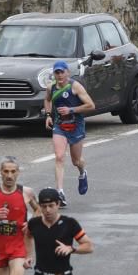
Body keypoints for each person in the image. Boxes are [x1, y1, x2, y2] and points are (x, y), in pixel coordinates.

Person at [44, 60, 95, 207]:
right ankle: (60, 192)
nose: (59, 75)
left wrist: (71, 110)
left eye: (62, 72)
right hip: (60, 126)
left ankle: (82, 172)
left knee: (76, 161)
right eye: (57, 72)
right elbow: (47, 100)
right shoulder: (51, 88)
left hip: (76, 126)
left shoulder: (75, 87)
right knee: (59, 157)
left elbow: (91, 105)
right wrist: (48, 115)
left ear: (68, 73)